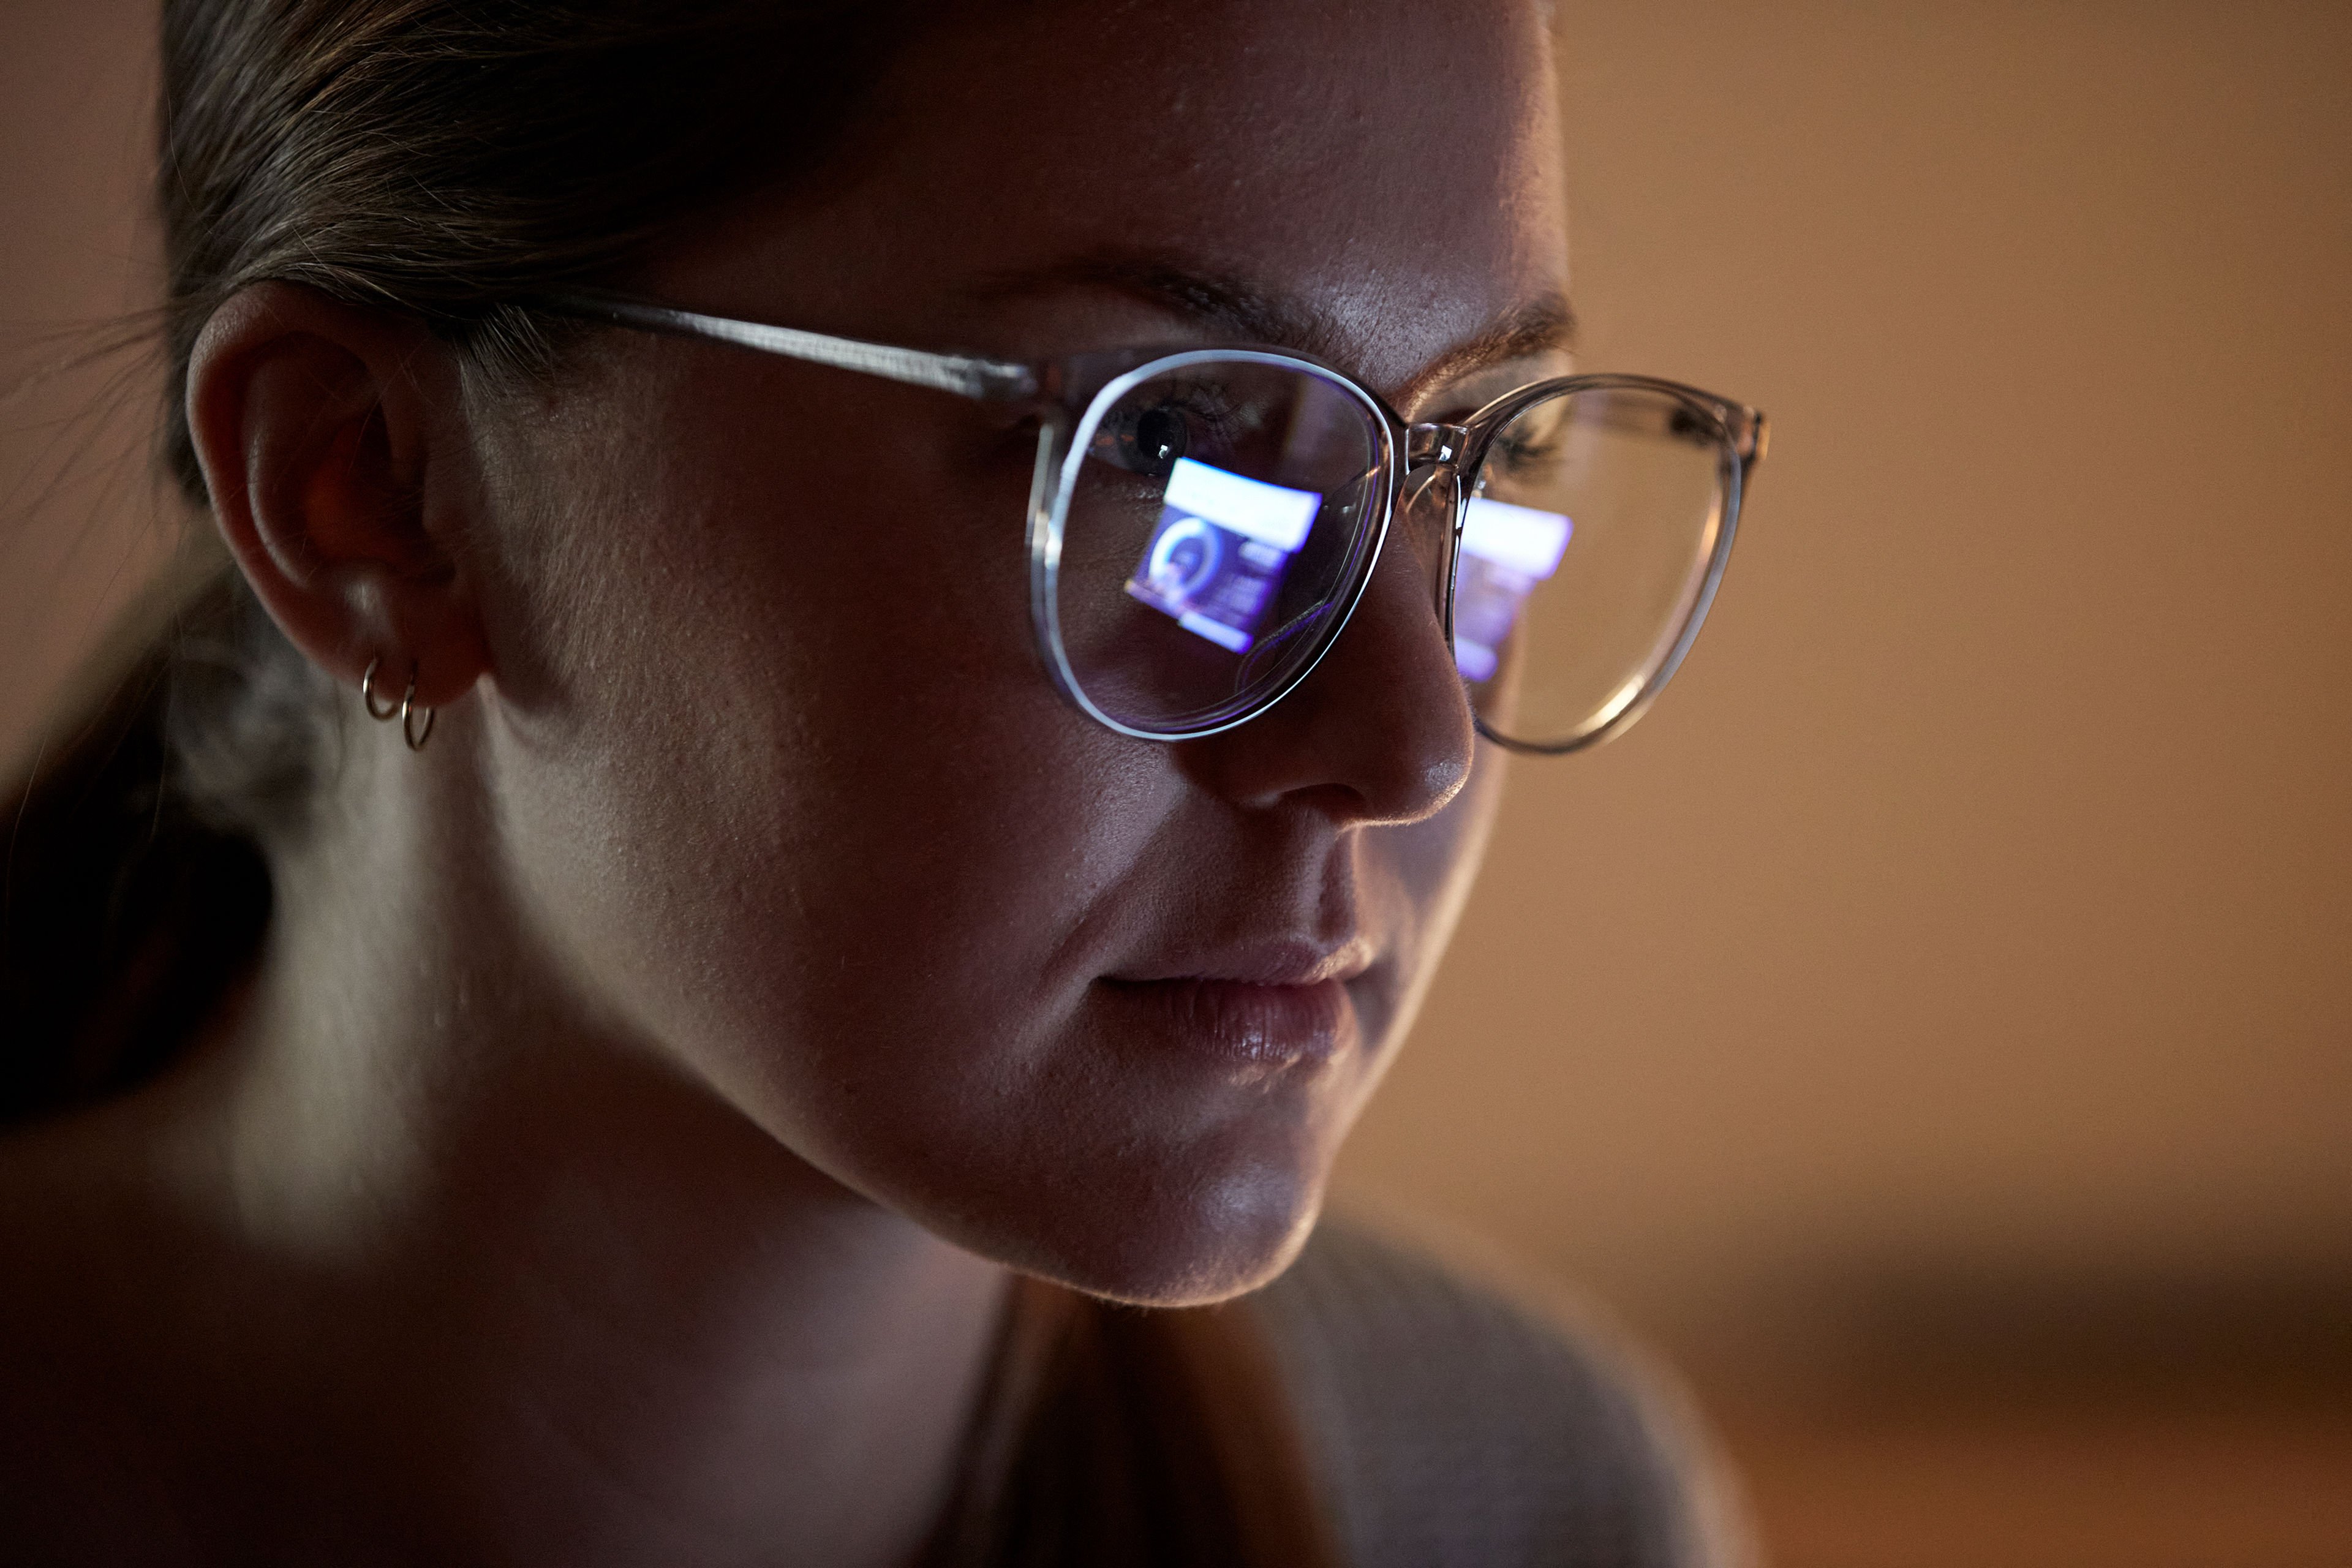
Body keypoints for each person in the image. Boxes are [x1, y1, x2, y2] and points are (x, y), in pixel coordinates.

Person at [0, 0, 1766, 1562]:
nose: (1411, 747)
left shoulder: (1521, 1503)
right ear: (375, 494)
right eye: (1160, 452)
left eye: (1488, 456)